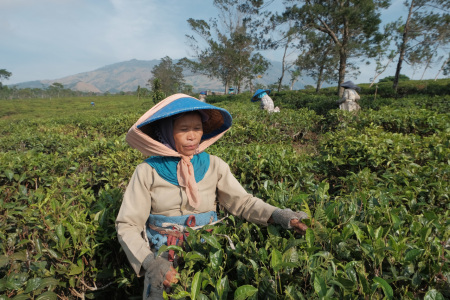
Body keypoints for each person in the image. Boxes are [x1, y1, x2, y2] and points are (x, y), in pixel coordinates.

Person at [115, 93, 308, 299]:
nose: (192, 136)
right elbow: (128, 225)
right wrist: (151, 263)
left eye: (197, 128)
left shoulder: (214, 165)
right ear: (166, 132)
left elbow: (242, 202)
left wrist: (279, 215)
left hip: (208, 252)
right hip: (163, 258)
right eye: (183, 130)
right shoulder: (147, 171)